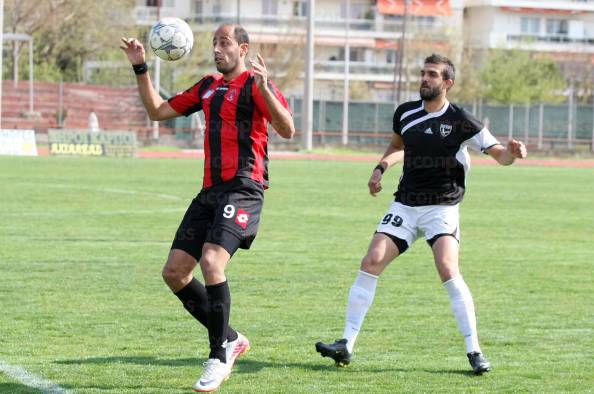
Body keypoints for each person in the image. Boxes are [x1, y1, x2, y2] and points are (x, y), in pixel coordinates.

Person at [315, 53, 527, 375]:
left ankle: (474, 351)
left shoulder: (462, 120)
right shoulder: (405, 113)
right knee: (371, 261)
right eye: (423, 73)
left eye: (432, 74)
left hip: (441, 206)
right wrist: (380, 168)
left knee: (447, 267)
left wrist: (512, 153)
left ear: (447, 83)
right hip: (406, 203)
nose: (424, 79)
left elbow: (498, 155)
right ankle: (346, 344)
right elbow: (398, 145)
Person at [120, 23, 294, 392]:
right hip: (210, 191)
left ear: (243, 49)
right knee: (174, 273)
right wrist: (140, 67)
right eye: (214, 43)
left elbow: (287, 128)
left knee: (213, 262)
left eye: (225, 43)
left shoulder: (255, 84)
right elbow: (156, 111)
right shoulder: (207, 86)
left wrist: (264, 87)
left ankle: (218, 357)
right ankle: (231, 337)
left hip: (244, 187)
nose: (217, 49)